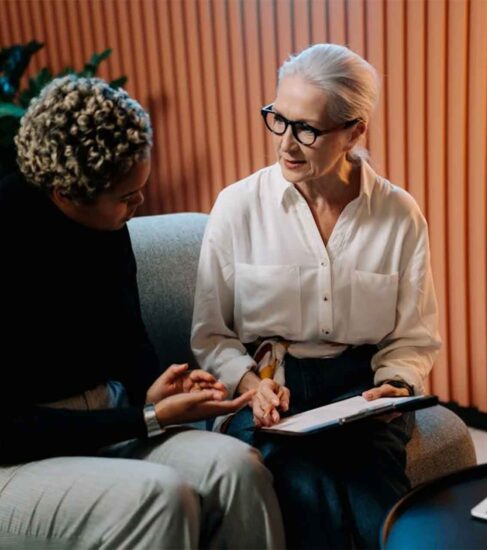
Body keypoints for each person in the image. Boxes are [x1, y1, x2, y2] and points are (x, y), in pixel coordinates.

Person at [0, 76, 284, 549]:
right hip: (17, 456)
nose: (140, 204)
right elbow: (11, 430)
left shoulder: (108, 229)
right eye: (127, 197)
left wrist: (154, 389)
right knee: (159, 497)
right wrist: (147, 418)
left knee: (237, 469)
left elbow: (128, 337)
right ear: (65, 192)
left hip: (105, 422)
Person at [191, 43, 441, 549]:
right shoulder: (237, 207)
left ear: (354, 132)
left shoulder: (398, 215)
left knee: (381, 513)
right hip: (269, 386)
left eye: (306, 129)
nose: (286, 144)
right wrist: (250, 385)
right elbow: (211, 334)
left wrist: (396, 383)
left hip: (362, 389)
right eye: (278, 120)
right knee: (307, 494)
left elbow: (412, 336)